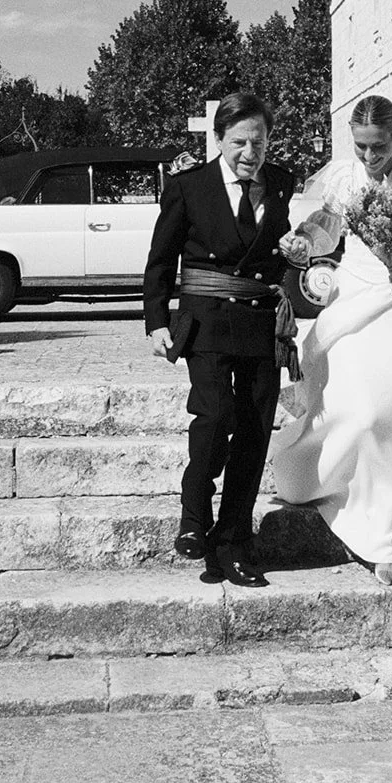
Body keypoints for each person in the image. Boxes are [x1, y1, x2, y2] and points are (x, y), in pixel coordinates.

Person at [270, 93, 392, 585]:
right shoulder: (345, 177)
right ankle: (319, 476)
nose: (370, 158)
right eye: (362, 147)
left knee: (389, 416)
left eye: (378, 146)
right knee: (356, 409)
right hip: (353, 298)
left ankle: (387, 536)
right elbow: (328, 229)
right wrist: (303, 240)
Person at [143, 92, 297, 588]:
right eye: (238, 142)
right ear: (219, 140)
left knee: (253, 430)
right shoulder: (190, 187)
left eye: (259, 141)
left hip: (258, 321)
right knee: (215, 417)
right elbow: (161, 261)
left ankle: (233, 543)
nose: (250, 152)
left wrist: (301, 256)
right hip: (206, 320)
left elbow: (276, 252)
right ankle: (194, 517)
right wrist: (156, 321)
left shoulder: (281, 184)